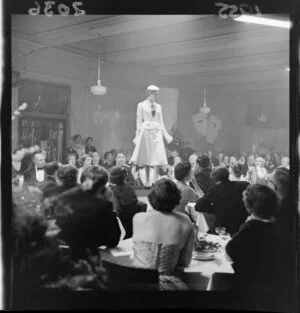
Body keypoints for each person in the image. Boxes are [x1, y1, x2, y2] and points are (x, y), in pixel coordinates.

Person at [225, 184, 293, 295]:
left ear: (250, 205)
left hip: (250, 286)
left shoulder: (250, 228)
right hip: (279, 284)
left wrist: (247, 224)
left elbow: (229, 255)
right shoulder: (282, 224)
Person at [132, 178, 194, 290]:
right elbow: (185, 262)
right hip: (167, 286)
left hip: (136, 284)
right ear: (177, 198)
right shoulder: (185, 221)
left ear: (151, 197)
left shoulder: (138, 218)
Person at [52, 167, 121, 261]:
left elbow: (59, 230)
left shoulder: (65, 200)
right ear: (103, 185)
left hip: (64, 258)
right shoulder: (104, 206)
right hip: (90, 260)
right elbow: (113, 241)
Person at [130, 85, 173, 187]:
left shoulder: (159, 106)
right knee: (147, 155)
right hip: (146, 132)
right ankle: (148, 180)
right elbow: (139, 121)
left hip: (156, 132)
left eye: (158, 94)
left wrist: (166, 135)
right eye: (155, 94)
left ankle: (155, 178)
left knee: (157, 155)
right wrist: (137, 136)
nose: (157, 96)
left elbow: (161, 121)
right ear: (150, 93)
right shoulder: (141, 105)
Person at [195, 167, 249, 235]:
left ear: (214, 178)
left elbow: (198, 206)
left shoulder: (214, 190)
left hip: (224, 227)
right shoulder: (243, 185)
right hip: (243, 224)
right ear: (228, 175)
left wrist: (215, 209)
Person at [109, 166, 139, 239]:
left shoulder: (114, 191)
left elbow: (116, 209)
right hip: (134, 217)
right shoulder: (130, 188)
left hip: (123, 219)